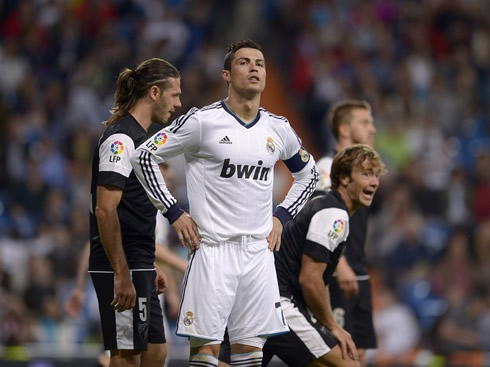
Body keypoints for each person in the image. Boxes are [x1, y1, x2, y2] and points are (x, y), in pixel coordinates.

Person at [130, 39, 319, 367]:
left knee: (250, 357)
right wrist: (174, 212)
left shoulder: (279, 128)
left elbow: (310, 175)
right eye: (244, 62)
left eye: (259, 63)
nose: (254, 68)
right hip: (212, 251)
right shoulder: (202, 122)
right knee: (205, 356)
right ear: (226, 75)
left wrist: (281, 216)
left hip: (258, 255)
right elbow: (143, 156)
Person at [88, 57, 182, 367]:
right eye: (174, 95)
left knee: (157, 350)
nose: (178, 104)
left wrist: (147, 263)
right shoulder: (121, 139)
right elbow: (105, 209)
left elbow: (132, 210)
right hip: (121, 265)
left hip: (137, 262)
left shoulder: (142, 141)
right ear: (154, 92)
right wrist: (122, 272)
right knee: (127, 356)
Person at [263, 144, 385, 367]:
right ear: (344, 179)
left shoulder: (323, 206)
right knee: (349, 364)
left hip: (261, 302)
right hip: (280, 305)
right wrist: (333, 327)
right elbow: (310, 280)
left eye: (376, 175)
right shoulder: (334, 214)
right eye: (366, 174)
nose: (374, 182)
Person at [314, 100, 378, 367]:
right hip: (337, 274)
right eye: (364, 122)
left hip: (359, 274)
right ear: (344, 130)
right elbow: (317, 224)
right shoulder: (327, 168)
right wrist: (341, 265)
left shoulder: (363, 172)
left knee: (360, 355)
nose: (372, 129)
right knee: (339, 355)